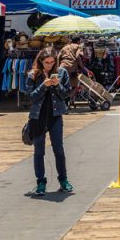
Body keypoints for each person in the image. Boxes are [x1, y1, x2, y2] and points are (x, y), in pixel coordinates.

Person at [25, 50, 73, 196]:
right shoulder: (33, 74)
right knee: (39, 151)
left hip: (55, 115)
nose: (49, 65)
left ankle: (63, 180)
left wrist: (57, 85)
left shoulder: (62, 72)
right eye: (46, 62)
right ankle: (41, 182)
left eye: (52, 62)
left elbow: (66, 94)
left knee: (58, 149)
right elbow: (31, 97)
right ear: (40, 61)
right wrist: (43, 86)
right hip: (38, 117)